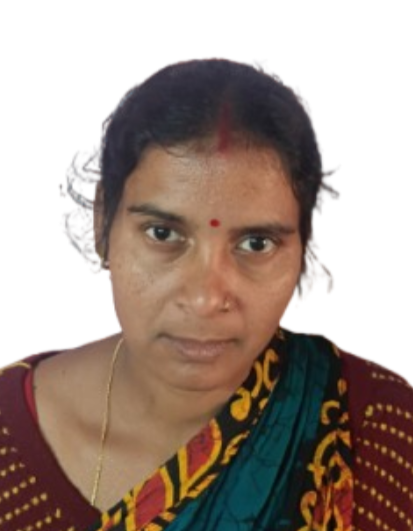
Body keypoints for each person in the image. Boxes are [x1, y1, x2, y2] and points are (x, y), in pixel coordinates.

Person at [0, 59, 412, 531]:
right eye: (162, 233)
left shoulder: (377, 432)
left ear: (301, 245)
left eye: (256, 244)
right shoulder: (9, 440)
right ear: (102, 225)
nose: (205, 298)